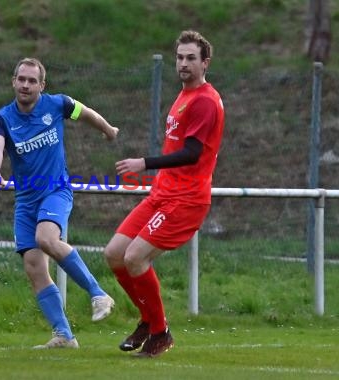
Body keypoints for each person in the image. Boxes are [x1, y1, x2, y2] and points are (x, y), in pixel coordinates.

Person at [104, 30, 225, 358]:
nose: (183, 64)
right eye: (180, 58)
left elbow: (192, 153)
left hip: (186, 200)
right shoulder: (184, 95)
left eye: (191, 58)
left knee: (135, 257)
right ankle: (149, 320)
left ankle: (160, 333)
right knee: (115, 253)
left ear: (205, 63)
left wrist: (144, 163)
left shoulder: (204, 100)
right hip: (163, 194)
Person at [0, 58, 119, 349]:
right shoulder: (3, 118)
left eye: (32, 81)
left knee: (46, 238)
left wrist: (108, 129)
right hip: (26, 200)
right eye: (21, 79)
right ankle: (64, 336)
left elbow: (85, 113)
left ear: (41, 85)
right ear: (13, 82)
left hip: (56, 191)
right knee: (34, 267)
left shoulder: (57, 104)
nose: (25, 84)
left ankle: (98, 294)